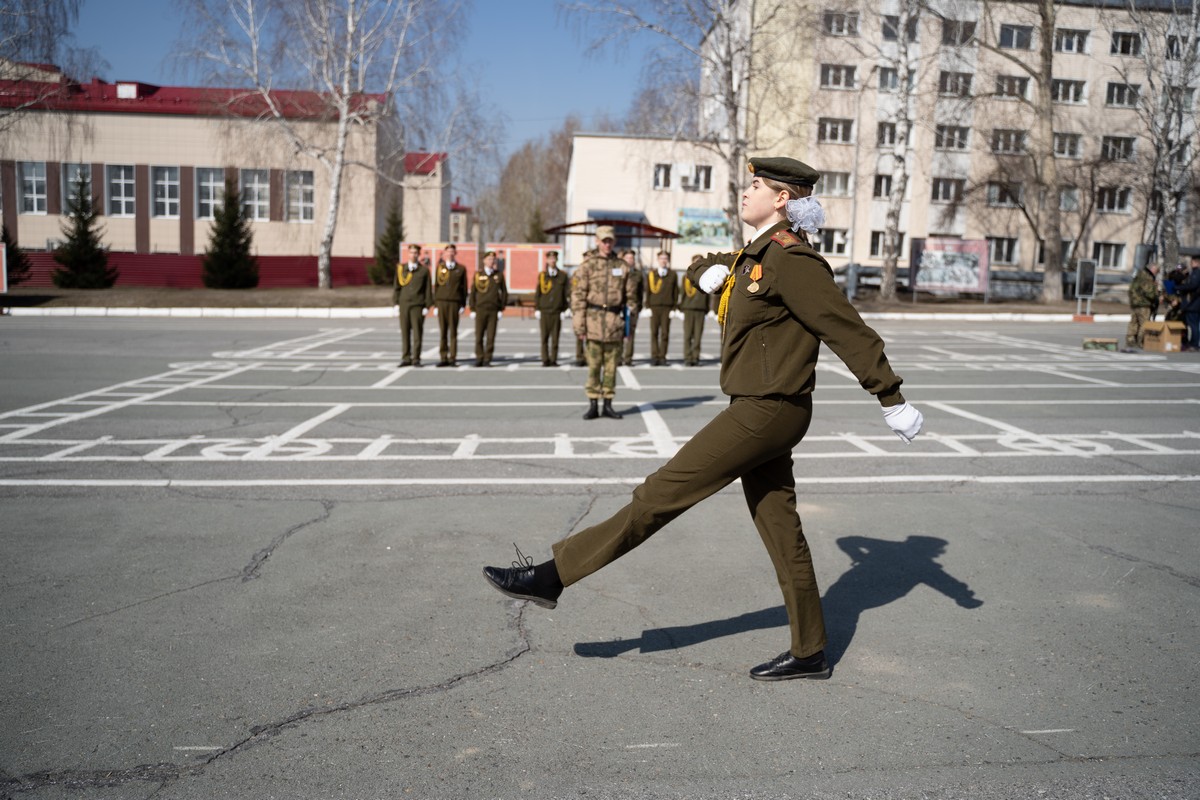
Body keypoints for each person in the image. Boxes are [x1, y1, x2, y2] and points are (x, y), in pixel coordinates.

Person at [483, 156, 924, 681]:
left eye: (756, 185)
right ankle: (810, 651)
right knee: (782, 530)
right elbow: (709, 261)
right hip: (759, 406)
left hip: (769, 409)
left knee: (659, 494)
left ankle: (553, 575)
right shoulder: (757, 254)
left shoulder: (792, 260)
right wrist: (703, 273)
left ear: (782, 198)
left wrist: (890, 397)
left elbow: (847, 329)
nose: (746, 191)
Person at [570, 226, 640, 420]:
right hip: (593, 322)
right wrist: (579, 325)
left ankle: (608, 404)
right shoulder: (587, 266)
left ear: (614, 242)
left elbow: (631, 300)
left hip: (614, 323)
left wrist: (631, 326)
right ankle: (593, 403)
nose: (607, 244)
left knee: (611, 367)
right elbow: (578, 297)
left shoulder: (623, 267)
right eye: (604, 241)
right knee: (593, 366)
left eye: (610, 241)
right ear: (597, 241)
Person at [393, 244, 433, 367]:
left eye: (415, 253)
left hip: (417, 305)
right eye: (411, 252)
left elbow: (427, 289)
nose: (413, 255)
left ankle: (416, 358)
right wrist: (396, 303)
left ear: (419, 255)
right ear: (408, 254)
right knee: (405, 332)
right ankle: (406, 357)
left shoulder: (424, 271)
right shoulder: (401, 269)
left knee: (417, 333)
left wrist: (427, 306)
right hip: (404, 304)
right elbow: (396, 287)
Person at [469, 250, 508, 367]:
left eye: (493, 259)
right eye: (489, 259)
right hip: (480, 309)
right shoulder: (478, 275)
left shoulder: (499, 275)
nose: (491, 261)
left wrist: (501, 308)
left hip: (493, 310)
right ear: (484, 261)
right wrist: (472, 309)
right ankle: (479, 357)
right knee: (479, 336)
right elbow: (473, 293)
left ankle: (487, 358)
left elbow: (504, 292)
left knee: (491, 336)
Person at [433, 244, 468, 367]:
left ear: (455, 253)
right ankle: (443, 357)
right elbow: (436, 286)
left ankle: (452, 357)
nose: (450, 254)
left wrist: (463, 304)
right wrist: (435, 304)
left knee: (453, 331)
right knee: (443, 331)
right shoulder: (439, 268)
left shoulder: (461, 269)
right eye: (448, 251)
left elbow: (464, 288)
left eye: (452, 251)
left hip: (454, 302)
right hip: (442, 302)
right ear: (444, 253)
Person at [536, 250, 570, 366]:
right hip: (545, 310)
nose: (552, 261)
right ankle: (545, 359)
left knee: (555, 337)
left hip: (557, 310)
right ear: (547, 260)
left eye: (554, 258)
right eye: (550, 259)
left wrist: (566, 309)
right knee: (544, 337)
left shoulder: (562, 276)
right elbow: (538, 293)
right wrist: (537, 308)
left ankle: (553, 359)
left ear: (557, 260)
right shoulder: (542, 275)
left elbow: (566, 293)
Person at [645, 251, 679, 366]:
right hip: (654, 307)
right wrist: (647, 306)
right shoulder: (651, 274)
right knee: (654, 333)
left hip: (667, 308)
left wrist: (674, 308)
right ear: (658, 260)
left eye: (665, 258)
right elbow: (647, 291)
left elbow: (675, 292)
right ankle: (654, 356)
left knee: (665, 333)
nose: (663, 260)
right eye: (661, 258)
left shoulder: (672, 274)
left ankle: (662, 356)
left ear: (668, 260)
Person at [677, 256, 710, 366]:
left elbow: (708, 294)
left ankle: (695, 357)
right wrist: (680, 308)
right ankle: (687, 357)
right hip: (688, 309)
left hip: (701, 309)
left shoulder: (706, 276)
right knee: (687, 335)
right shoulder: (686, 277)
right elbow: (682, 293)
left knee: (697, 336)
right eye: (695, 262)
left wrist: (708, 309)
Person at [1123, 258, 1159, 352]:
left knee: (1134, 322)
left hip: (1135, 303)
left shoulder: (1139, 275)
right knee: (1144, 323)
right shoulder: (1147, 277)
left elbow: (1131, 289)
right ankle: (1141, 341)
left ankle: (1130, 340)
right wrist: (1156, 292)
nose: (1157, 273)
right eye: (1157, 270)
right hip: (1144, 304)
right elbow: (1149, 293)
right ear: (1153, 269)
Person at [619, 249, 644, 366]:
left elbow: (640, 292)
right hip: (619, 306)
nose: (630, 260)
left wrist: (639, 306)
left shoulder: (638, 274)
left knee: (630, 333)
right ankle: (618, 357)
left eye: (631, 258)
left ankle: (628, 358)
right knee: (618, 332)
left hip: (632, 307)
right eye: (627, 258)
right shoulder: (618, 272)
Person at [1181, 255, 1200, 351]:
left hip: (1194, 304)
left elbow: (1193, 285)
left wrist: (1179, 287)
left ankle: (1194, 344)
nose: (1191, 264)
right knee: (1194, 324)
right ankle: (1193, 343)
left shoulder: (1196, 273)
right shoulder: (1194, 273)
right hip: (1195, 304)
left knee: (1193, 325)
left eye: (1192, 262)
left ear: (1197, 263)